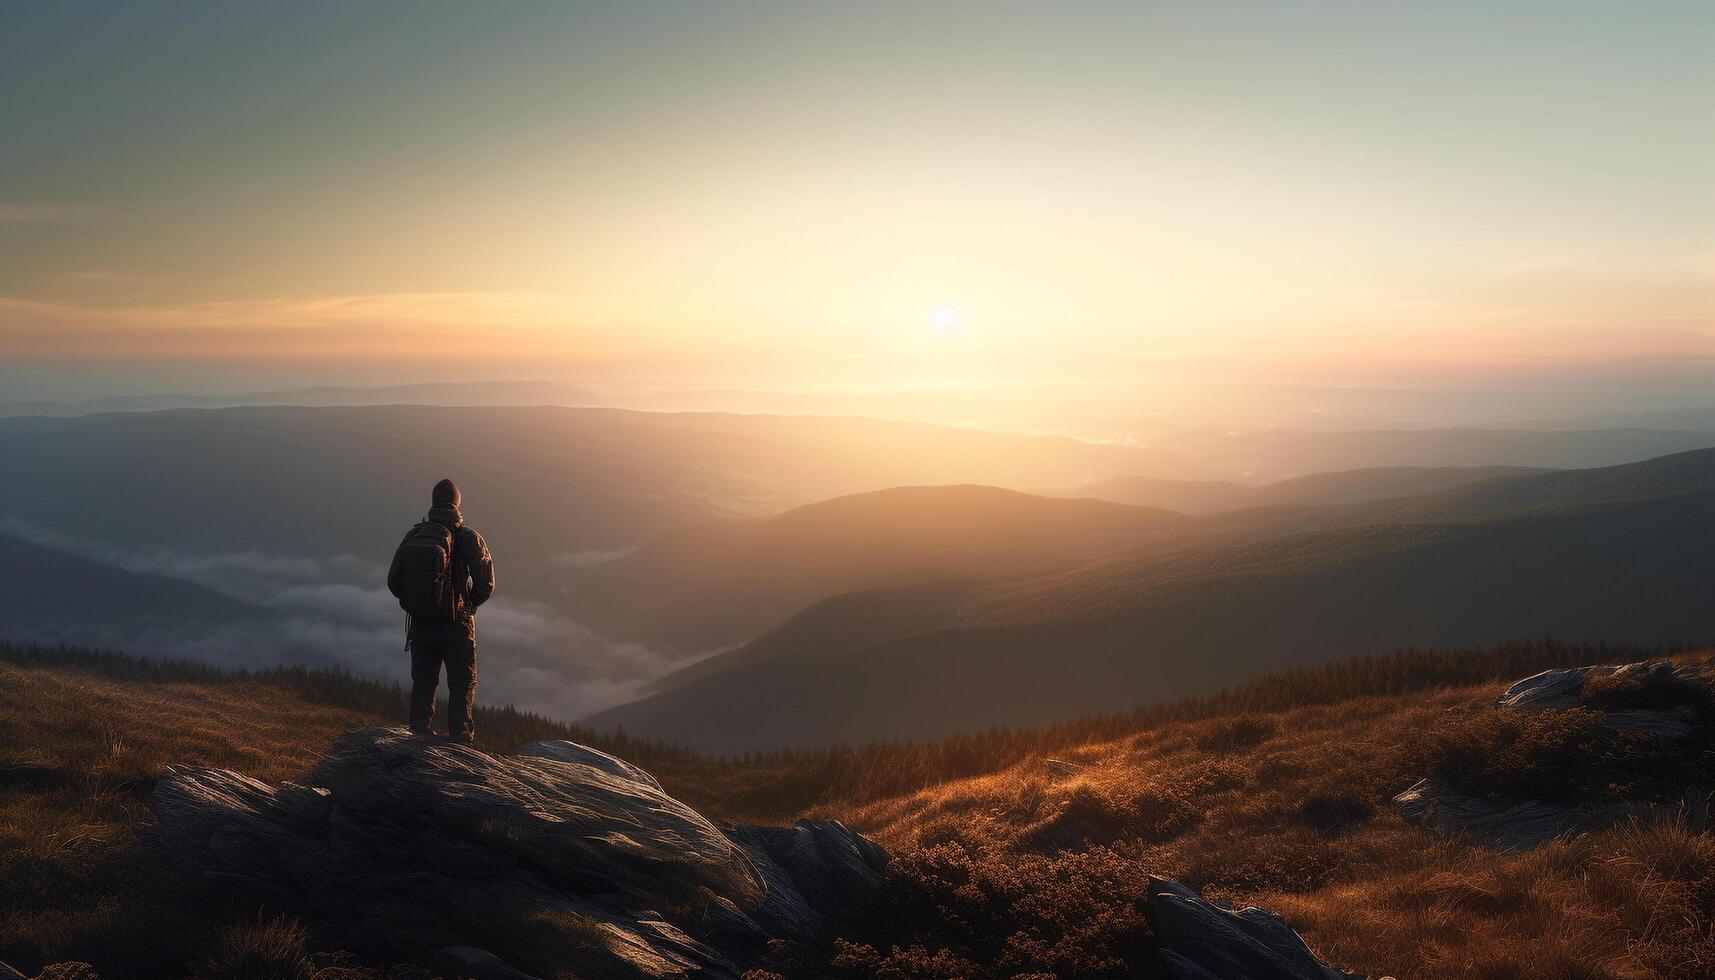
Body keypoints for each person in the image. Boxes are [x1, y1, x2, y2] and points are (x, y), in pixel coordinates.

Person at [386, 478, 495, 744]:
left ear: (433, 503)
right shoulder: (468, 537)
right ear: (457, 504)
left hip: (421, 623)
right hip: (456, 623)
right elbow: (486, 582)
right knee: (462, 683)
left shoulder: (414, 535)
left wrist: (416, 602)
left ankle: (418, 734)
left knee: (423, 682)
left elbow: (394, 581)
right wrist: (469, 605)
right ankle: (461, 739)